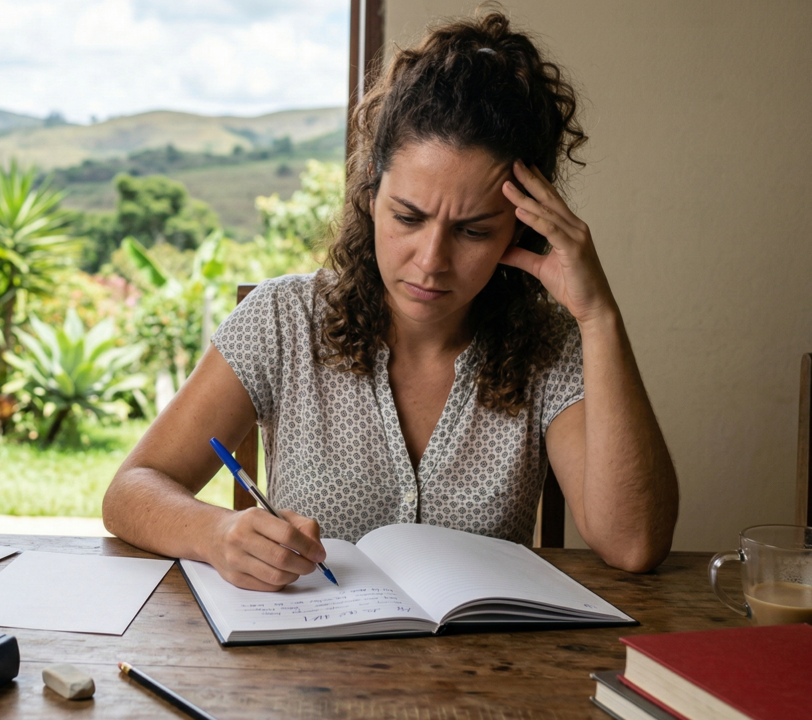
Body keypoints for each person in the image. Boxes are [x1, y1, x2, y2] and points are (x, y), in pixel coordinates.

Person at [102, 10, 679, 591]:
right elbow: (132, 489)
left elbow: (632, 544)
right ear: (372, 192)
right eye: (408, 216)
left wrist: (598, 315)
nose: (431, 260)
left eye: (474, 230)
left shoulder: (548, 350)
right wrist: (214, 533)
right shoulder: (282, 321)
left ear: (521, 228)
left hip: (482, 676)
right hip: (307, 670)